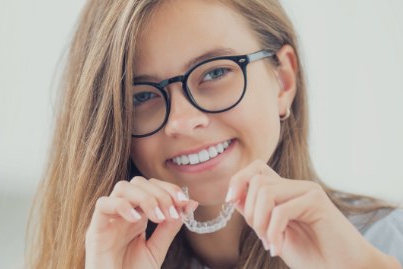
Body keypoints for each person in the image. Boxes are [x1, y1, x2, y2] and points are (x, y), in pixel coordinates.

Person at [25, 0, 403, 268]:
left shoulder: (387, 244)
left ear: (283, 80)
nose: (183, 121)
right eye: (141, 96)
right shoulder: (94, 261)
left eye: (215, 73)